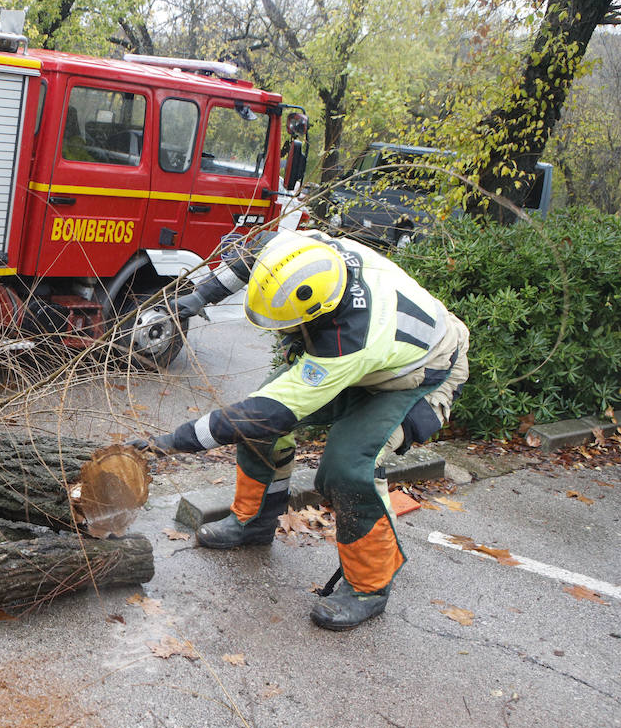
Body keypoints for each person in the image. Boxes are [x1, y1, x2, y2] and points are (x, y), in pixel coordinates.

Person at [136, 229, 470, 631]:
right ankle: (255, 521)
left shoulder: (349, 341)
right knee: (260, 430)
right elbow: (254, 255)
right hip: (378, 360)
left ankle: (368, 587)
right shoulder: (307, 250)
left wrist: (172, 442)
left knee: (349, 466)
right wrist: (200, 296)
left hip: (420, 373)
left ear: (321, 314)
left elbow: (266, 414)